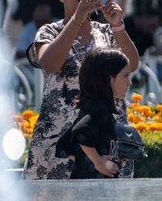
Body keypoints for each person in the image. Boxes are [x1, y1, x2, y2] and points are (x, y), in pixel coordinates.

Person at [23, 0, 140, 180]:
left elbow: (131, 64)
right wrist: (77, 19)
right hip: (58, 144)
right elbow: (49, 63)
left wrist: (117, 25)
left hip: (106, 143)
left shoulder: (106, 32)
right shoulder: (49, 31)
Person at [55, 47, 142, 179]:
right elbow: (80, 130)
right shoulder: (99, 108)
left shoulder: (94, 106)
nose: (129, 82)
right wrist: (98, 162)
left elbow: (64, 145)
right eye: (125, 75)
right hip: (92, 192)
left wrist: (85, 161)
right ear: (108, 79)